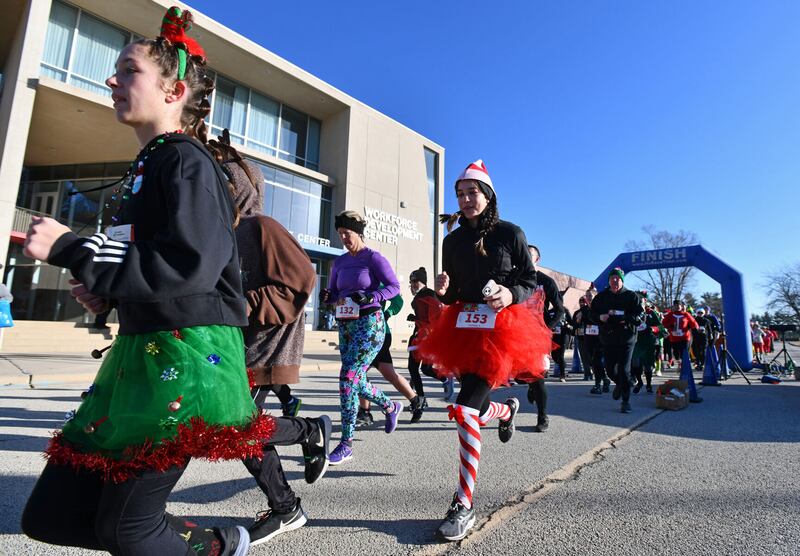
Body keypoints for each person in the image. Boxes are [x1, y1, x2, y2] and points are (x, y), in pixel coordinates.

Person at [20, 9, 261, 554]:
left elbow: (190, 265)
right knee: (51, 517)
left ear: (173, 90)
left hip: (186, 356)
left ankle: (217, 546)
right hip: (138, 352)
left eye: (128, 70)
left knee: (125, 530)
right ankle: (217, 543)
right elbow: (150, 259)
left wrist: (68, 247)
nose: (111, 80)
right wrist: (105, 288)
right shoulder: (150, 163)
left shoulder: (186, 160)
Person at [415, 159, 551, 541]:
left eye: (472, 192)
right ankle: (505, 409)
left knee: (462, 409)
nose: (465, 199)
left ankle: (463, 504)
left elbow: (529, 280)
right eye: (460, 193)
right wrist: (444, 291)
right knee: (470, 409)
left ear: (488, 195)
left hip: (504, 330)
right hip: (464, 327)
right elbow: (457, 291)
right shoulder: (452, 240)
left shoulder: (511, 234)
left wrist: (510, 293)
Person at [216, 134, 332, 546]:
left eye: (218, 187)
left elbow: (301, 283)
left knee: (236, 429)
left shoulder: (262, 227)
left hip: (267, 345)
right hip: (233, 348)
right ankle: (287, 503)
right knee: (235, 430)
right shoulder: (220, 235)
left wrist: (239, 304)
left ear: (237, 190)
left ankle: (306, 435)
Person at [319, 210, 403, 465]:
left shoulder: (374, 258)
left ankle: (346, 444)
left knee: (347, 378)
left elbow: (394, 287)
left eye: (347, 233)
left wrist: (372, 296)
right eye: (340, 234)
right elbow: (334, 293)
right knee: (353, 378)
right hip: (345, 325)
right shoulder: (340, 262)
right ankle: (389, 406)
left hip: (369, 323)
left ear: (358, 232)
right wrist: (328, 297)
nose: (343, 238)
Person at [357, 290, 425, 425]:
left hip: (377, 331)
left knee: (358, 372)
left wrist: (387, 313)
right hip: (358, 332)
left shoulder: (374, 280)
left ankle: (365, 412)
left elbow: (398, 301)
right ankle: (415, 400)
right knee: (387, 372)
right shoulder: (349, 278)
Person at [590, 268, 643, 413]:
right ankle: (621, 384)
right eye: (612, 278)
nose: (615, 281)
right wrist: (600, 317)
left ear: (622, 281)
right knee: (609, 369)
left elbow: (640, 317)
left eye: (617, 279)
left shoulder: (632, 296)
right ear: (608, 280)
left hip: (627, 338)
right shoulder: (601, 297)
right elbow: (591, 314)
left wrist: (625, 317)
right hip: (608, 338)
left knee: (624, 370)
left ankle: (625, 401)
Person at [525, 245, 565, 432]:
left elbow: (559, 310)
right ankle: (531, 387)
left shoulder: (545, 282)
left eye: (530, 254)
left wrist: (546, 328)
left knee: (538, 376)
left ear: (537, 259)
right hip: (514, 334)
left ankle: (542, 416)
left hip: (537, 335)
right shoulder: (512, 279)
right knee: (521, 376)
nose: (525, 256)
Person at [406, 266, 445, 422]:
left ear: (422, 281)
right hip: (418, 336)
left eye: (415, 281)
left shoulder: (429, 295)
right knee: (416, 368)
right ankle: (420, 401)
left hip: (426, 337)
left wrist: (416, 320)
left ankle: (444, 380)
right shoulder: (421, 296)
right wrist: (415, 319)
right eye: (411, 281)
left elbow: (434, 319)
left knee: (424, 369)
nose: (412, 284)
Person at [631, 294, 665, 394]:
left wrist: (653, 329)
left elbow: (661, 327)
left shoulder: (651, 313)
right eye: (637, 301)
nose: (640, 304)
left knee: (648, 366)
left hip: (649, 342)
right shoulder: (632, 312)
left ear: (645, 302)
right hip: (637, 342)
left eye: (641, 301)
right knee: (635, 363)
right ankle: (640, 382)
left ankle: (649, 385)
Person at [662, 299, 699, 369]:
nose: (677, 307)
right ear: (673, 306)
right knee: (676, 354)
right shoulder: (670, 315)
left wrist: (690, 327)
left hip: (685, 337)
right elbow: (664, 323)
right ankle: (680, 364)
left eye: (679, 305)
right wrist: (670, 326)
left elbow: (694, 324)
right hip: (674, 338)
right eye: (675, 305)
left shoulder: (686, 314)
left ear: (681, 306)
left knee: (684, 353)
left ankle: (685, 367)